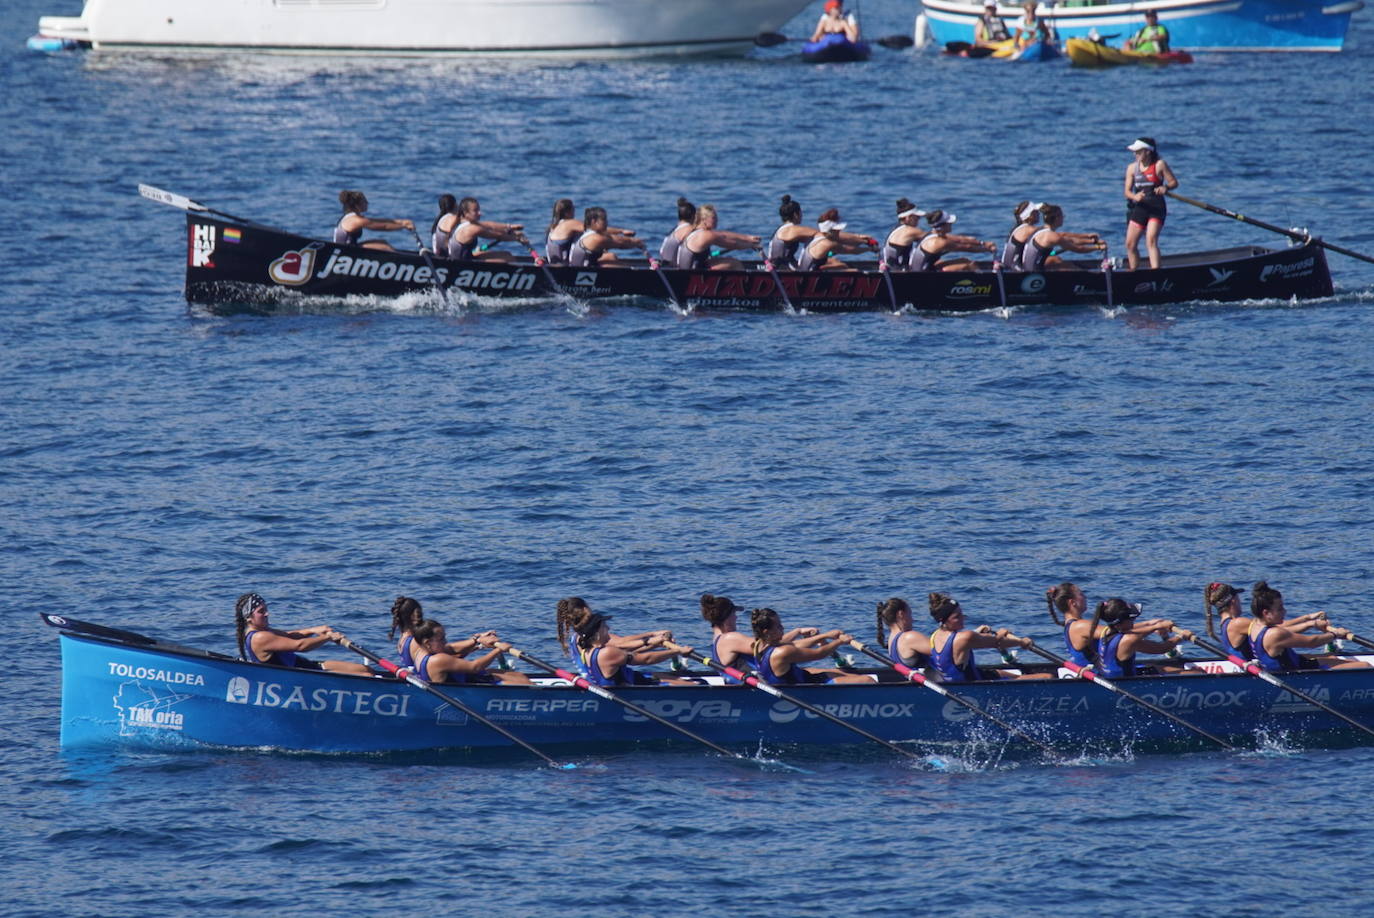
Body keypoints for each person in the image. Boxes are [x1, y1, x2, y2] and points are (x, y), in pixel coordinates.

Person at [234, 592, 370, 673]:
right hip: (303, 677)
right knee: (366, 676)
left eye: (266, 609)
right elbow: (300, 646)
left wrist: (313, 630)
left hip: (310, 667)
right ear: (248, 618)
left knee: (366, 670)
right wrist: (327, 637)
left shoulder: (263, 631)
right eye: (261, 611)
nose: (267, 614)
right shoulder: (260, 637)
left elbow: (290, 636)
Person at [1247, 581, 1368, 672]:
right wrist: (1336, 634)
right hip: (1297, 674)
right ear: (1266, 613)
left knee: (1334, 657)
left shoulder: (1255, 625)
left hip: (1295, 663)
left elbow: (1286, 629)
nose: (1284, 611)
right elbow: (1311, 642)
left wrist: (1311, 623)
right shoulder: (1275, 634)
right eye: (1280, 608)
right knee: (1365, 666)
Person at [565, 603, 692, 686]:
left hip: (629, 679)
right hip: (630, 690)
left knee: (672, 678)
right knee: (691, 685)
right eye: (604, 626)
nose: (608, 628)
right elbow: (646, 659)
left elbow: (629, 653)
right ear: (597, 633)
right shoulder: (607, 653)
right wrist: (678, 651)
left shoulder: (587, 650)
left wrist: (654, 644)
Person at [928, 593, 1044, 682]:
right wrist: (1021, 642)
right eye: (957, 616)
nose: (963, 618)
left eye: (962, 613)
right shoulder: (965, 638)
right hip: (974, 684)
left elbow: (960, 643)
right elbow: (997, 642)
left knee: (1003, 673)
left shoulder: (935, 636)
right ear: (943, 621)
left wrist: (977, 632)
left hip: (962, 679)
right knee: (1046, 677)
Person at [1204, 581, 1328, 661]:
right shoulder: (1238, 623)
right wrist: (1311, 624)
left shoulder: (1226, 623)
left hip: (1255, 666)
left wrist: (1307, 618)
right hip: (1258, 672)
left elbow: (1276, 625)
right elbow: (1279, 631)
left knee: (1321, 657)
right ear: (1234, 601)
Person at [749, 607, 871, 685]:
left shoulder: (758, 645)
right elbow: (819, 654)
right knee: (868, 680)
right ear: (767, 632)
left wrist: (825, 635)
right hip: (806, 687)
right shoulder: (783, 652)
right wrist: (839, 641)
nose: (783, 628)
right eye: (778, 626)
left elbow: (796, 644)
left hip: (799, 679)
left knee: (838, 672)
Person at [556, 596, 674, 675]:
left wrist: (654, 642)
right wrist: (653, 638)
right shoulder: (587, 636)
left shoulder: (578, 636)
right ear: (585, 609)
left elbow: (621, 648)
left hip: (597, 678)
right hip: (607, 682)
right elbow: (622, 644)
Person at [389, 595, 500, 669]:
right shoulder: (416, 641)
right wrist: (481, 643)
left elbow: (448, 650)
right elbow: (445, 660)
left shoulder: (403, 639)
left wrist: (477, 643)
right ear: (415, 616)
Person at [411, 618, 531, 685]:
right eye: (441, 639)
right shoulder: (438, 659)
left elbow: (452, 649)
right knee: (524, 682)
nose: (445, 641)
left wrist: (477, 642)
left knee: (518, 675)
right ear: (427, 642)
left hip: (467, 678)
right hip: (469, 689)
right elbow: (475, 667)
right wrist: (499, 650)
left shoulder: (420, 652)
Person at [1094, 598, 1191, 678]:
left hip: (1112, 676)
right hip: (1127, 683)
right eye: (1131, 618)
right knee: (1194, 672)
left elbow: (1135, 628)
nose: (1134, 620)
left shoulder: (1106, 631)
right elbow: (1162, 648)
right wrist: (1181, 636)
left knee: (1160, 668)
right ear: (1119, 623)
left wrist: (1154, 624)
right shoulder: (1128, 641)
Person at [1123, 137, 1179, 270]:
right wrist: (1135, 196)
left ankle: (1156, 273)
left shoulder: (1160, 165)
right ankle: (1133, 272)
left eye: (1138, 151)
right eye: (1134, 151)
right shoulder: (1132, 168)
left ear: (1148, 152)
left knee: (1151, 240)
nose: (1135, 154)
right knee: (1130, 244)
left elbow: (1174, 183)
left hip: (1156, 208)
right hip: (1140, 208)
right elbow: (1127, 192)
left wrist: (1166, 187)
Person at [546, 198, 637, 265]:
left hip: (556, 264)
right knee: (611, 256)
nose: (574, 211)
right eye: (573, 208)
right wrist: (621, 231)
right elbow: (595, 229)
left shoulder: (553, 227)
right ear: (567, 212)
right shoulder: (569, 224)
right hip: (567, 267)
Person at [1019, 204, 1106, 271]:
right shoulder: (1051, 236)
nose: (1063, 218)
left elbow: (1067, 237)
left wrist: (1091, 241)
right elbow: (1079, 249)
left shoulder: (1041, 230)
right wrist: (1098, 247)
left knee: (1056, 259)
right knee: (1069, 266)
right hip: (1034, 272)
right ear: (1057, 218)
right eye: (1062, 216)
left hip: (1029, 266)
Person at [676, 204, 760, 271]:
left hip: (691, 268)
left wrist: (747, 238)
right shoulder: (706, 235)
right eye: (714, 218)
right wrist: (750, 245)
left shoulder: (695, 231)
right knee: (734, 263)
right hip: (692, 274)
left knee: (725, 261)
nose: (717, 220)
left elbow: (723, 234)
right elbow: (734, 244)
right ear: (704, 219)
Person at [910, 210, 996, 272]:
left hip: (925, 268)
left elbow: (961, 239)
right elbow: (967, 248)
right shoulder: (939, 242)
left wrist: (983, 243)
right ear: (942, 226)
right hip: (923, 275)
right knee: (969, 265)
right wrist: (987, 249)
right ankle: (985, 284)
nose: (952, 224)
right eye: (949, 223)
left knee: (963, 260)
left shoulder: (931, 234)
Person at [446, 196, 527, 262]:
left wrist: (509, 226)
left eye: (479, 210)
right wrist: (517, 238)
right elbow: (497, 235)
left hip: (464, 258)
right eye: (475, 211)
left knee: (505, 254)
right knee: (508, 257)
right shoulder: (471, 229)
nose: (480, 213)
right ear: (466, 213)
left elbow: (490, 225)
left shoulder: (461, 222)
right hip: (463, 264)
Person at [701, 593, 758, 682]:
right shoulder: (729, 639)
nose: (736, 617)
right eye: (734, 613)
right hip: (749, 686)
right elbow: (765, 646)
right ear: (726, 617)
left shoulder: (716, 641)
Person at [797, 208, 878, 271]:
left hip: (805, 269)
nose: (839, 232)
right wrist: (870, 249)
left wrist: (862, 239)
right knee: (854, 271)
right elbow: (852, 251)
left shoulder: (818, 235)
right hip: (810, 275)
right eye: (837, 230)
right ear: (831, 231)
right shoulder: (827, 244)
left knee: (836, 261)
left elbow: (847, 238)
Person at [334, 190, 415, 252]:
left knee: (383, 242)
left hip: (350, 248)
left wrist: (402, 222)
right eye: (364, 201)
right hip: (344, 252)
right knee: (385, 247)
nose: (367, 203)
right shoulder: (355, 220)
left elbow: (380, 221)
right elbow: (384, 226)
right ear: (356, 205)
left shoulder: (352, 217)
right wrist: (404, 226)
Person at [569, 207, 644, 267]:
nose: (607, 222)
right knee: (625, 268)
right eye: (604, 220)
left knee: (611, 256)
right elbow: (621, 242)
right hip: (583, 272)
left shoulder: (586, 233)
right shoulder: (596, 238)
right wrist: (637, 242)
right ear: (594, 221)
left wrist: (622, 232)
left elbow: (612, 236)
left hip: (584, 267)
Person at [876, 597, 931, 670]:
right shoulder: (909, 638)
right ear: (901, 614)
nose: (912, 619)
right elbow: (942, 652)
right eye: (910, 615)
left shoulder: (891, 640)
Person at [882, 198, 928, 270]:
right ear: (908, 218)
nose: (919, 219)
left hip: (891, 268)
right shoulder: (909, 231)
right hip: (899, 272)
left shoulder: (896, 229)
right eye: (917, 216)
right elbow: (933, 238)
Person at [1000, 200, 1043, 270]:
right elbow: (1049, 236)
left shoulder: (1017, 228)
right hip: (1016, 269)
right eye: (1036, 212)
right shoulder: (1027, 229)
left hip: (1008, 265)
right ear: (1029, 215)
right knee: (1054, 260)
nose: (1039, 213)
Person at [659, 197, 696, 266]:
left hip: (664, 264)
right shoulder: (689, 229)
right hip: (674, 268)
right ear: (694, 216)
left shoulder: (674, 230)